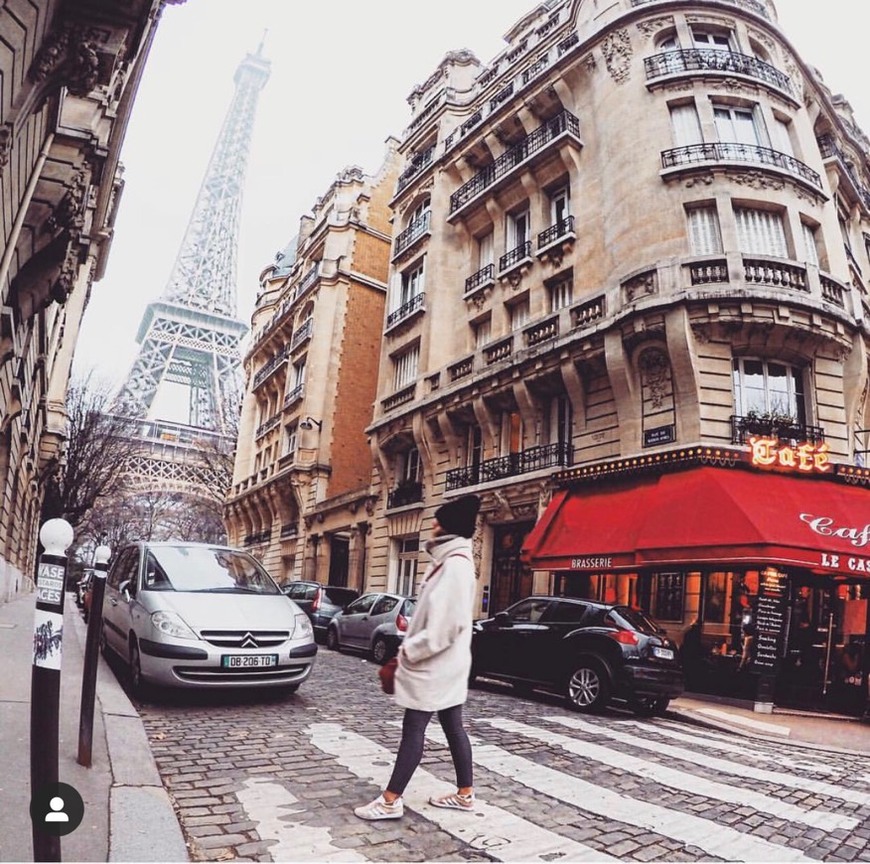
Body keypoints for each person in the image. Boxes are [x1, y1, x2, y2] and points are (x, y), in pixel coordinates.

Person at [354, 494, 481, 821]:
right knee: (453, 726)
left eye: (439, 520)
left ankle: (390, 799)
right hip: (445, 664)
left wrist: (408, 651)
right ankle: (465, 794)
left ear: (450, 527)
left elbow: (445, 628)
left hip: (435, 664)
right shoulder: (447, 563)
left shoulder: (454, 567)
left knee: (414, 727)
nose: (433, 525)